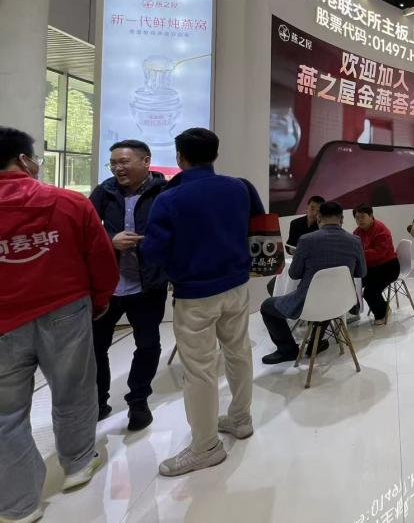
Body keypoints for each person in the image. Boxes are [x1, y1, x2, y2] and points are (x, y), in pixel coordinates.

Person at [0, 128, 119, 522]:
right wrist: (100, 300)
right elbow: (101, 258)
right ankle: (78, 463)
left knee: (5, 414)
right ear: (24, 160)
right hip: (66, 310)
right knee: (74, 389)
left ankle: (18, 504)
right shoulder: (69, 202)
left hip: (4, 322)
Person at [141, 128, 264, 477]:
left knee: (199, 369)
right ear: (215, 155)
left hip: (195, 293)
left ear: (180, 157)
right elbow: (257, 227)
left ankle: (206, 446)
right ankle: (241, 419)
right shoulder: (240, 188)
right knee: (239, 352)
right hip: (237, 286)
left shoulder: (169, 198)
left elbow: (153, 253)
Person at [89, 139, 168, 431]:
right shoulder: (104, 191)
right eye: (113, 163)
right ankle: (98, 401)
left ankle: (138, 401)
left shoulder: (164, 192)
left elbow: (176, 231)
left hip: (148, 286)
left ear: (146, 161)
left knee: (148, 345)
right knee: (96, 347)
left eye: (123, 162)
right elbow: (85, 229)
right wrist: (111, 241)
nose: (117, 168)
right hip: (108, 287)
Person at [259, 201, 367, 361]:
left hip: (311, 304)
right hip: (342, 301)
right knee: (326, 298)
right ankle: (315, 344)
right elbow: (361, 272)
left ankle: (288, 350)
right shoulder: (355, 240)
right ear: (342, 219)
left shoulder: (306, 240)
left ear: (319, 218)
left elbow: (294, 274)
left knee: (267, 306)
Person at [353, 204, 401, 325]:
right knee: (351, 284)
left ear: (371, 216)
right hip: (371, 268)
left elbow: (379, 253)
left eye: (362, 217)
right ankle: (352, 313)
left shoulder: (381, 229)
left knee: (369, 292)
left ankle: (382, 313)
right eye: (357, 217)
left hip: (388, 267)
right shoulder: (357, 232)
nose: (360, 220)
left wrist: (360, 254)